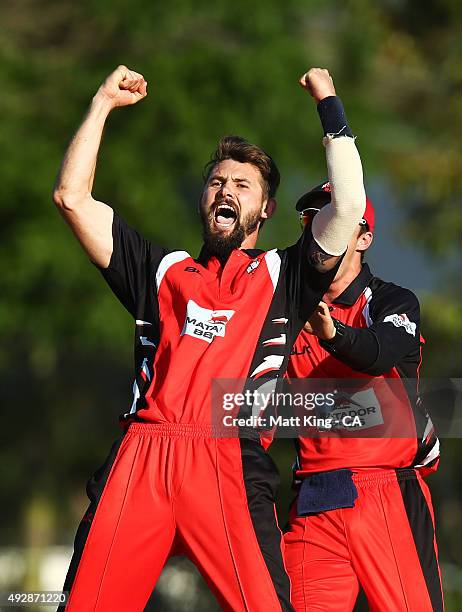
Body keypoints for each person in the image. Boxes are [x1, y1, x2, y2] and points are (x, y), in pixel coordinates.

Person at [52, 64, 366, 611]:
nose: (226, 190)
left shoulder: (284, 275)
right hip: (142, 457)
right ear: (203, 198)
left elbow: (349, 207)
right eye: (217, 182)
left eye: (243, 185)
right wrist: (101, 102)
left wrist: (329, 104)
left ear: (266, 209)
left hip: (229, 460)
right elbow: (71, 198)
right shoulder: (160, 270)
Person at [284, 184, 443, 611]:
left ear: (363, 238)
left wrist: (331, 334)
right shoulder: (284, 307)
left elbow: (378, 353)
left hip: (388, 490)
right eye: (312, 221)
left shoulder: (392, 301)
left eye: (335, 221)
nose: (322, 232)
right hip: (315, 497)